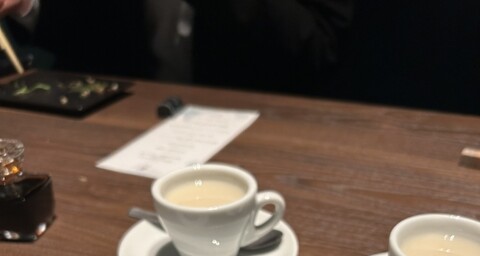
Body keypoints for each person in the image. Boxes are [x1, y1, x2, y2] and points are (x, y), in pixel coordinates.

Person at [1, 0, 354, 95]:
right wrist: (26, 5)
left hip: (265, 126)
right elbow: (83, 29)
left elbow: (320, 49)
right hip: (135, 121)